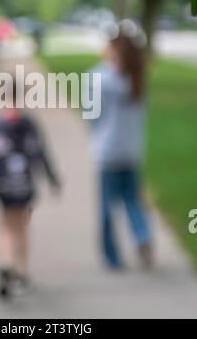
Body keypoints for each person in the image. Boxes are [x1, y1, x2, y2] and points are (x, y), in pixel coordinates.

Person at [0, 80, 61, 298]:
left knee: (6, 226)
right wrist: (52, 177)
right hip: (23, 185)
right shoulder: (28, 124)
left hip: (3, 186)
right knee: (22, 228)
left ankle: (5, 263)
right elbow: (40, 152)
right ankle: (20, 272)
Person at [89, 28, 152, 270]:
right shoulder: (138, 79)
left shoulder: (99, 78)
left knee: (106, 207)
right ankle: (143, 235)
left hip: (107, 152)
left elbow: (93, 115)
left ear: (114, 50)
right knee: (133, 201)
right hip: (132, 150)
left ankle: (112, 256)